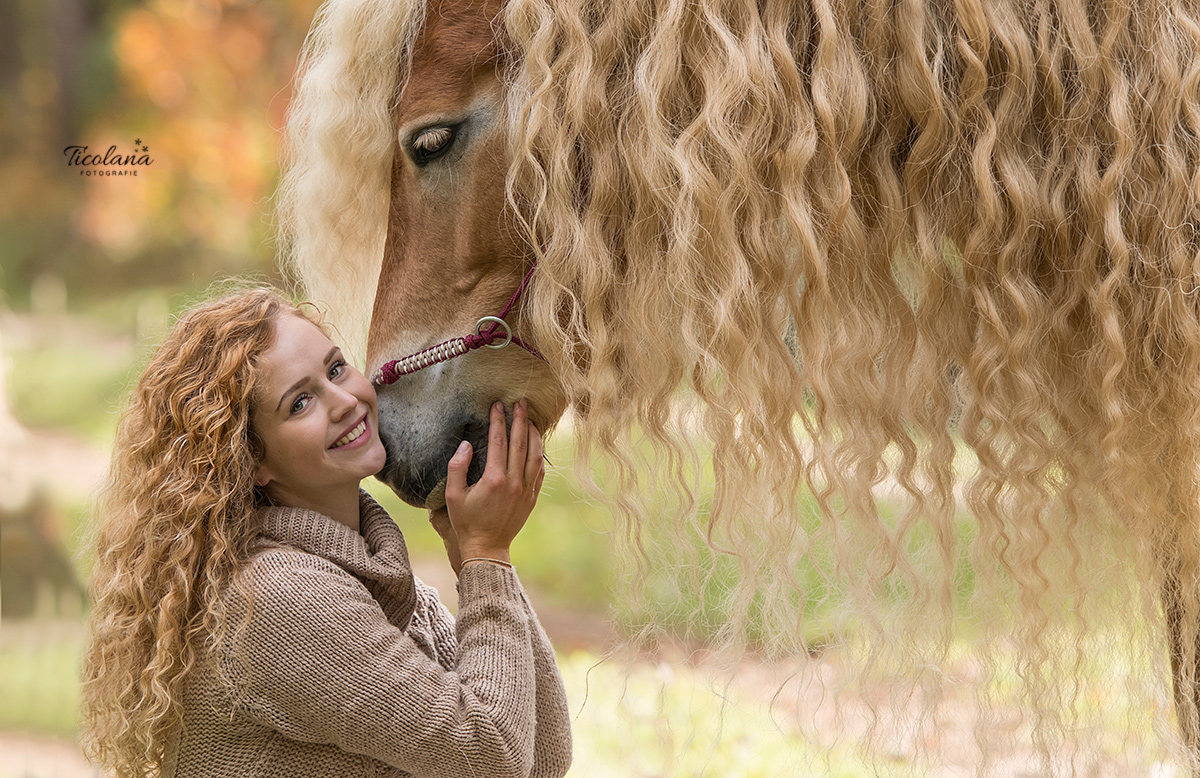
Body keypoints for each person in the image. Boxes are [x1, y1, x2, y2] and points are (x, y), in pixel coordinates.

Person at [80, 288, 572, 778]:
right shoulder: (276, 596)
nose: (343, 402)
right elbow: (492, 758)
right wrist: (487, 556)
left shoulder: (365, 571)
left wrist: (473, 556)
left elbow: (543, 760)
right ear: (251, 460)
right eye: (299, 403)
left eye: (336, 369)